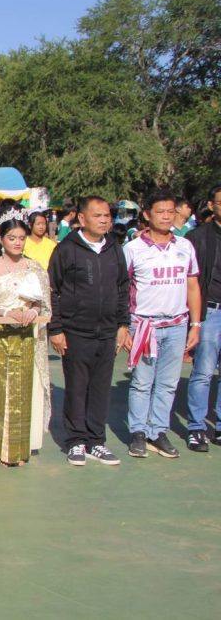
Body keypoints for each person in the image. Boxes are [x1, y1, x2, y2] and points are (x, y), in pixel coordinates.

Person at [48, 196, 130, 466]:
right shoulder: (66, 249)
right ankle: (76, 441)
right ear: (82, 218)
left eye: (107, 215)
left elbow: (123, 287)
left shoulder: (114, 248)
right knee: (76, 387)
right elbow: (53, 290)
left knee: (100, 388)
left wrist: (123, 324)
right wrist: (56, 328)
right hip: (75, 331)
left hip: (106, 332)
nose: (104, 220)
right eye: (98, 216)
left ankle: (96, 441)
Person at [124, 190, 200, 459]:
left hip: (178, 325)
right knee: (142, 382)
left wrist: (195, 324)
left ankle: (158, 431)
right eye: (160, 212)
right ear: (147, 215)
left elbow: (193, 286)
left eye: (170, 211)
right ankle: (138, 432)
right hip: (144, 326)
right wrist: (123, 327)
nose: (166, 216)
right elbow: (121, 290)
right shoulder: (132, 249)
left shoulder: (185, 246)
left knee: (168, 383)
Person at [0, 211, 52, 464]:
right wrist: (6, 313)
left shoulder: (33, 267)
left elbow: (41, 303)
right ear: (1, 240)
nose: (17, 243)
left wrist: (33, 311)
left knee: (22, 391)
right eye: (12, 238)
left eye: (21, 238)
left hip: (25, 336)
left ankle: (19, 450)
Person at [185, 184, 221, 452]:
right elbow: (190, 282)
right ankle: (196, 427)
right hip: (210, 312)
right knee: (203, 372)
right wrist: (193, 319)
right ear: (211, 205)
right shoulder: (197, 238)